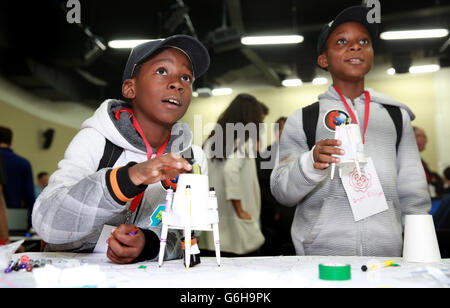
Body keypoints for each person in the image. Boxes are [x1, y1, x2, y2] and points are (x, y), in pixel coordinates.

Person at [32, 35, 210, 264]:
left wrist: (149, 244)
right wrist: (129, 177)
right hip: (75, 272)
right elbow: (48, 220)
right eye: (162, 71)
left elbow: (190, 234)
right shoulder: (97, 140)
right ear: (130, 88)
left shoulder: (192, 158)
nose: (177, 83)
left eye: (186, 77)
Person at [270, 6, 430, 257]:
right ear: (323, 59)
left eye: (364, 41)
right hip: (321, 260)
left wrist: (418, 251)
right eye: (342, 41)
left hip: (388, 260)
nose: (355, 47)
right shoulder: (304, 119)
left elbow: (414, 192)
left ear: (372, 53)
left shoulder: (396, 117)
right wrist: (309, 163)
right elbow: (281, 190)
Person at [200, 94, 265, 256]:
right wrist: (240, 209)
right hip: (237, 225)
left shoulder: (211, 141)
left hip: (213, 223)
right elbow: (230, 170)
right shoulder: (246, 141)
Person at [257, 117, 295, 256]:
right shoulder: (267, 154)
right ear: (275, 133)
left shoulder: (300, 152)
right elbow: (262, 185)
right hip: (273, 214)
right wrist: (274, 210)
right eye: (281, 130)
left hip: (294, 214)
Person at [0, 126, 36, 230]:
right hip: (18, 219)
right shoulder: (23, 163)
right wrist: (30, 224)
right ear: (11, 142)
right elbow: (30, 196)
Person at [413, 126, 444, 197]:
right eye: (421, 136)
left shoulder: (421, 161)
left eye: (425, 137)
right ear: (411, 138)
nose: (426, 140)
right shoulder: (406, 162)